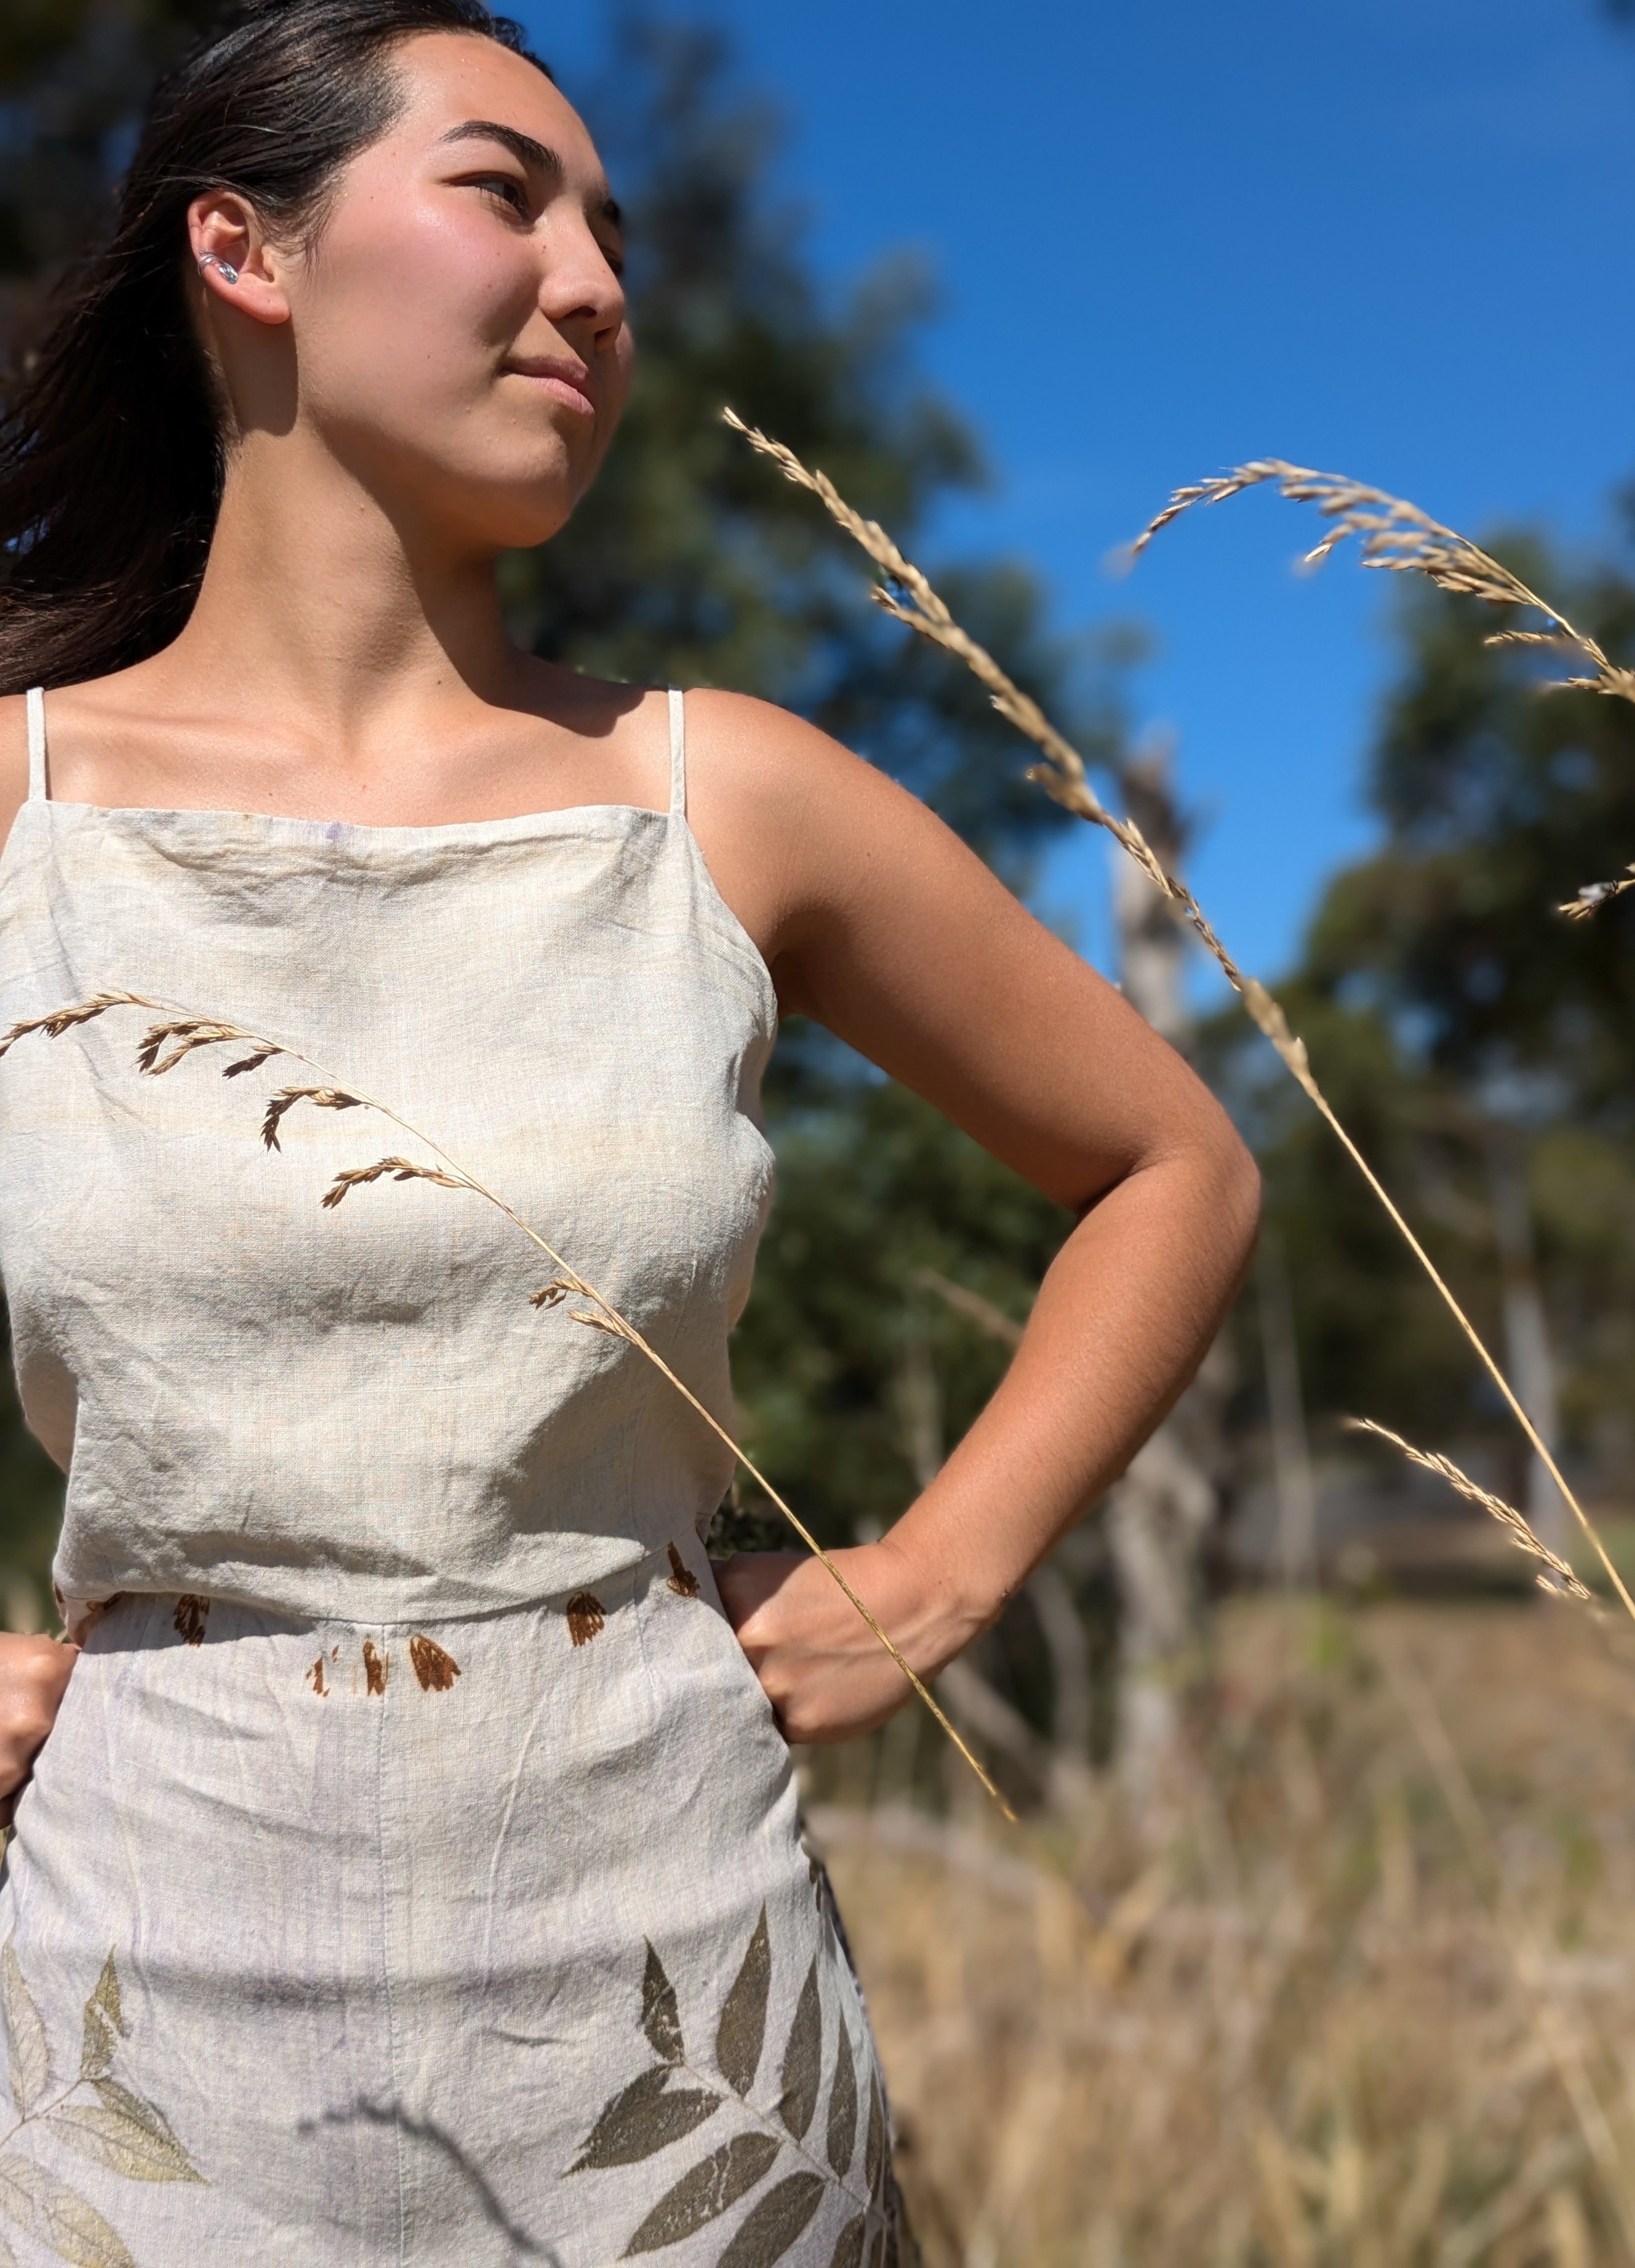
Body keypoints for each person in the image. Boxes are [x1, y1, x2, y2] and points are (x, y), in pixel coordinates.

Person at [0, 0, 1259, 2257]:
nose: (595, 281)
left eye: (615, 231)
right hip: (131, 1996)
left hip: (676, 1991)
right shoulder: (24, 809)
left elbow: (1175, 1160)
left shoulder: (724, 794)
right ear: (244, 251)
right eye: (506, 192)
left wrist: (935, 1571)